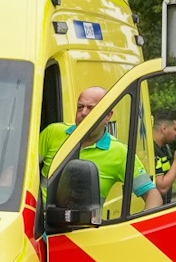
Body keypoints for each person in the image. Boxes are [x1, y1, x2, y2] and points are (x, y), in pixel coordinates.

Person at [37, 86, 158, 214]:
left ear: (108, 116)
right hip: (37, 228)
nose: (83, 113)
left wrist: (139, 227)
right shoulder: (53, 133)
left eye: (91, 108)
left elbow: (152, 195)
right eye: (80, 107)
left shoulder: (119, 152)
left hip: (83, 231)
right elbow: (20, 170)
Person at [150, 115, 176, 204]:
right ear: (164, 128)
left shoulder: (163, 148)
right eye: (175, 129)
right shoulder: (153, 151)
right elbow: (162, 188)